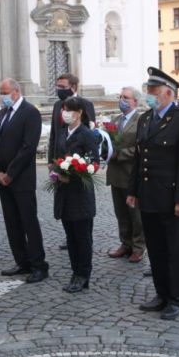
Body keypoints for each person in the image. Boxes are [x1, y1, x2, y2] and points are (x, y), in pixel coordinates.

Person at [127, 67, 179, 320]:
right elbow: (139, 157)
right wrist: (133, 190)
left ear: (168, 93)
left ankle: (176, 297)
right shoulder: (146, 119)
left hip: (171, 199)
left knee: (173, 250)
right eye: (148, 91)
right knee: (156, 248)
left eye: (153, 91)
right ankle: (161, 293)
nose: (149, 95)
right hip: (148, 196)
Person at [0, 79, 49, 283]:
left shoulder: (30, 112)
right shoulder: (1, 113)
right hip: (3, 179)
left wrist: (10, 173)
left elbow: (28, 147)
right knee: (11, 222)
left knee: (28, 222)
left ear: (16, 92)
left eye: (4, 92)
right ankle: (22, 261)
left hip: (21, 179)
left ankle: (39, 264)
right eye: (0, 92)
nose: (1, 96)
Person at [53, 96, 100, 293]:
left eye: (69, 110)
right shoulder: (62, 133)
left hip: (80, 194)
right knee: (70, 237)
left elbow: (94, 163)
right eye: (64, 109)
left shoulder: (87, 134)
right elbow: (55, 158)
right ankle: (75, 272)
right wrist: (55, 171)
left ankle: (83, 275)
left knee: (82, 237)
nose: (65, 113)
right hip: (64, 194)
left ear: (79, 112)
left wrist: (74, 174)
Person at [48, 73, 96, 250]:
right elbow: (54, 134)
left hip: (77, 165)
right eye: (58, 86)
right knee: (64, 203)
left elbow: (91, 134)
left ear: (74, 87)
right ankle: (70, 237)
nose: (59, 90)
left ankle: (84, 239)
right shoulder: (57, 106)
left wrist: (79, 166)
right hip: (60, 163)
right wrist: (51, 161)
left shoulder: (86, 105)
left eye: (63, 87)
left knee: (80, 207)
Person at [106, 86, 145, 263]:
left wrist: (119, 154)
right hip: (115, 174)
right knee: (121, 212)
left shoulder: (141, 120)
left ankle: (138, 247)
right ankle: (125, 243)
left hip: (131, 174)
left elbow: (141, 148)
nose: (122, 100)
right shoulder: (115, 119)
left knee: (135, 215)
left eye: (126, 98)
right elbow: (108, 143)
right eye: (121, 97)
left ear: (135, 101)